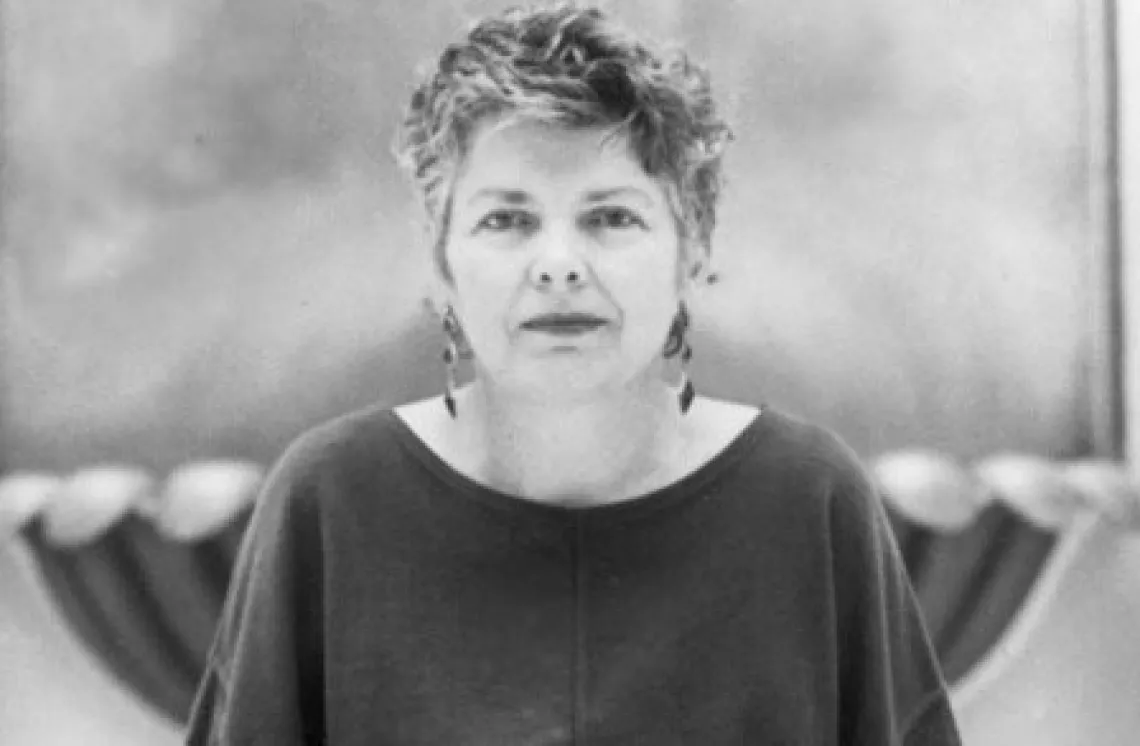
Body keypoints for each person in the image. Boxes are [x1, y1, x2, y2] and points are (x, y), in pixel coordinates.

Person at [185, 2, 961, 743]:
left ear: (694, 251)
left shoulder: (811, 503)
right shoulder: (326, 503)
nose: (558, 266)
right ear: (440, 264)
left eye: (611, 216)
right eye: (508, 219)